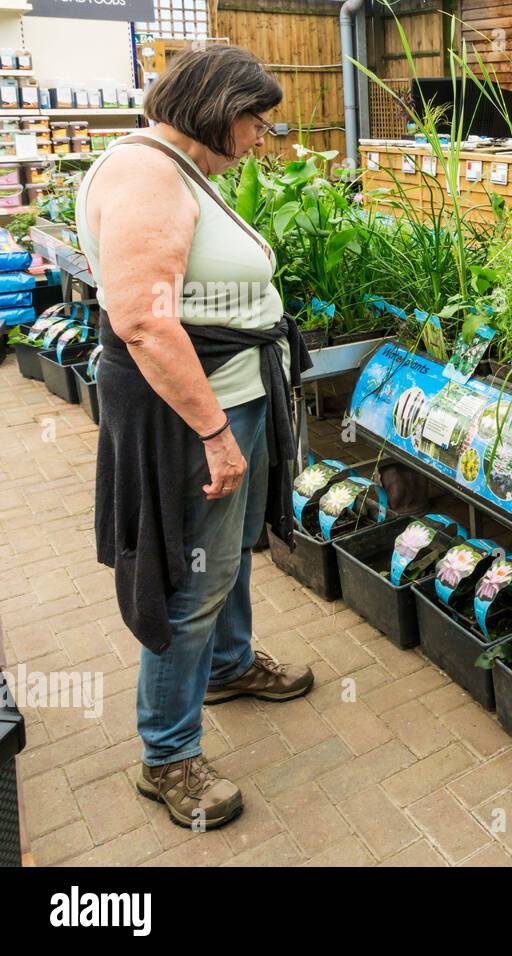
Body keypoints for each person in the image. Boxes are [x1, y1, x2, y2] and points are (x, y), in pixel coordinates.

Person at [75, 45, 315, 830]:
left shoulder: (177, 167)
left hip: (233, 396)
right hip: (193, 416)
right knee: (190, 579)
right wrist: (214, 433)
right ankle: (168, 754)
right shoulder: (146, 174)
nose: (258, 136)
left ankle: (232, 665)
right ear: (218, 105)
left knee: (227, 557)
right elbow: (143, 320)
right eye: (255, 119)